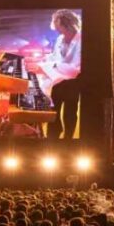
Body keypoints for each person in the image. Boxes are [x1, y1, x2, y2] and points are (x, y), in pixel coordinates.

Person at [42, 9, 82, 140]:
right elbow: (55, 57)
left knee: (70, 112)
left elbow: (75, 69)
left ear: (68, 25)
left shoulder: (82, 40)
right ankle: (52, 136)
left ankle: (68, 139)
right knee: (54, 109)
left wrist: (52, 65)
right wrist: (45, 61)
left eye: (59, 28)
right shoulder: (60, 39)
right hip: (58, 80)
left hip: (73, 82)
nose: (57, 31)